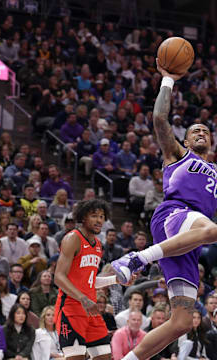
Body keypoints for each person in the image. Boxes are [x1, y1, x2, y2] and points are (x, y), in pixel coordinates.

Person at [111, 60, 217, 360]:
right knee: (210, 230)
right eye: (195, 130)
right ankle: (137, 259)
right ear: (185, 140)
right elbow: (159, 117)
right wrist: (168, 79)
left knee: (181, 322)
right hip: (175, 215)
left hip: (189, 239)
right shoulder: (178, 154)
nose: (200, 133)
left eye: (205, 131)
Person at [54, 199, 128, 360]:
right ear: (82, 217)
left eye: (102, 216)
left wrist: (116, 279)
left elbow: (90, 280)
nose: (99, 220)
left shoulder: (98, 245)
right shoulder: (72, 238)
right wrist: (82, 298)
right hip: (71, 307)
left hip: (90, 308)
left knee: (104, 356)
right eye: (94, 216)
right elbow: (58, 277)